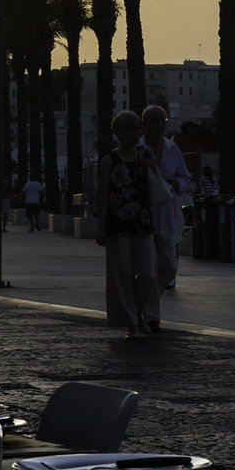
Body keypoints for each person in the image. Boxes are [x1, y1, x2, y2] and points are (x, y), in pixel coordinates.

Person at [92, 108, 163, 339]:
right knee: (121, 275)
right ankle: (131, 322)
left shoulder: (144, 155)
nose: (137, 134)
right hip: (117, 222)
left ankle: (139, 313)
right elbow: (103, 195)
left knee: (147, 274)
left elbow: (156, 176)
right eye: (133, 130)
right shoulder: (108, 161)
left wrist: (150, 164)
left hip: (142, 221)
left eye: (138, 130)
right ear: (121, 133)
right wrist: (101, 225)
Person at [141, 105, 190, 289]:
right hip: (145, 215)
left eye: (163, 120)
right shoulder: (138, 148)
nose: (160, 124)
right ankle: (149, 308)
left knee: (169, 266)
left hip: (168, 214)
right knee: (146, 269)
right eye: (154, 120)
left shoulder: (173, 148)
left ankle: (150, 297)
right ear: (144, 123)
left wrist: (177, 183)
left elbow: (185, 176)